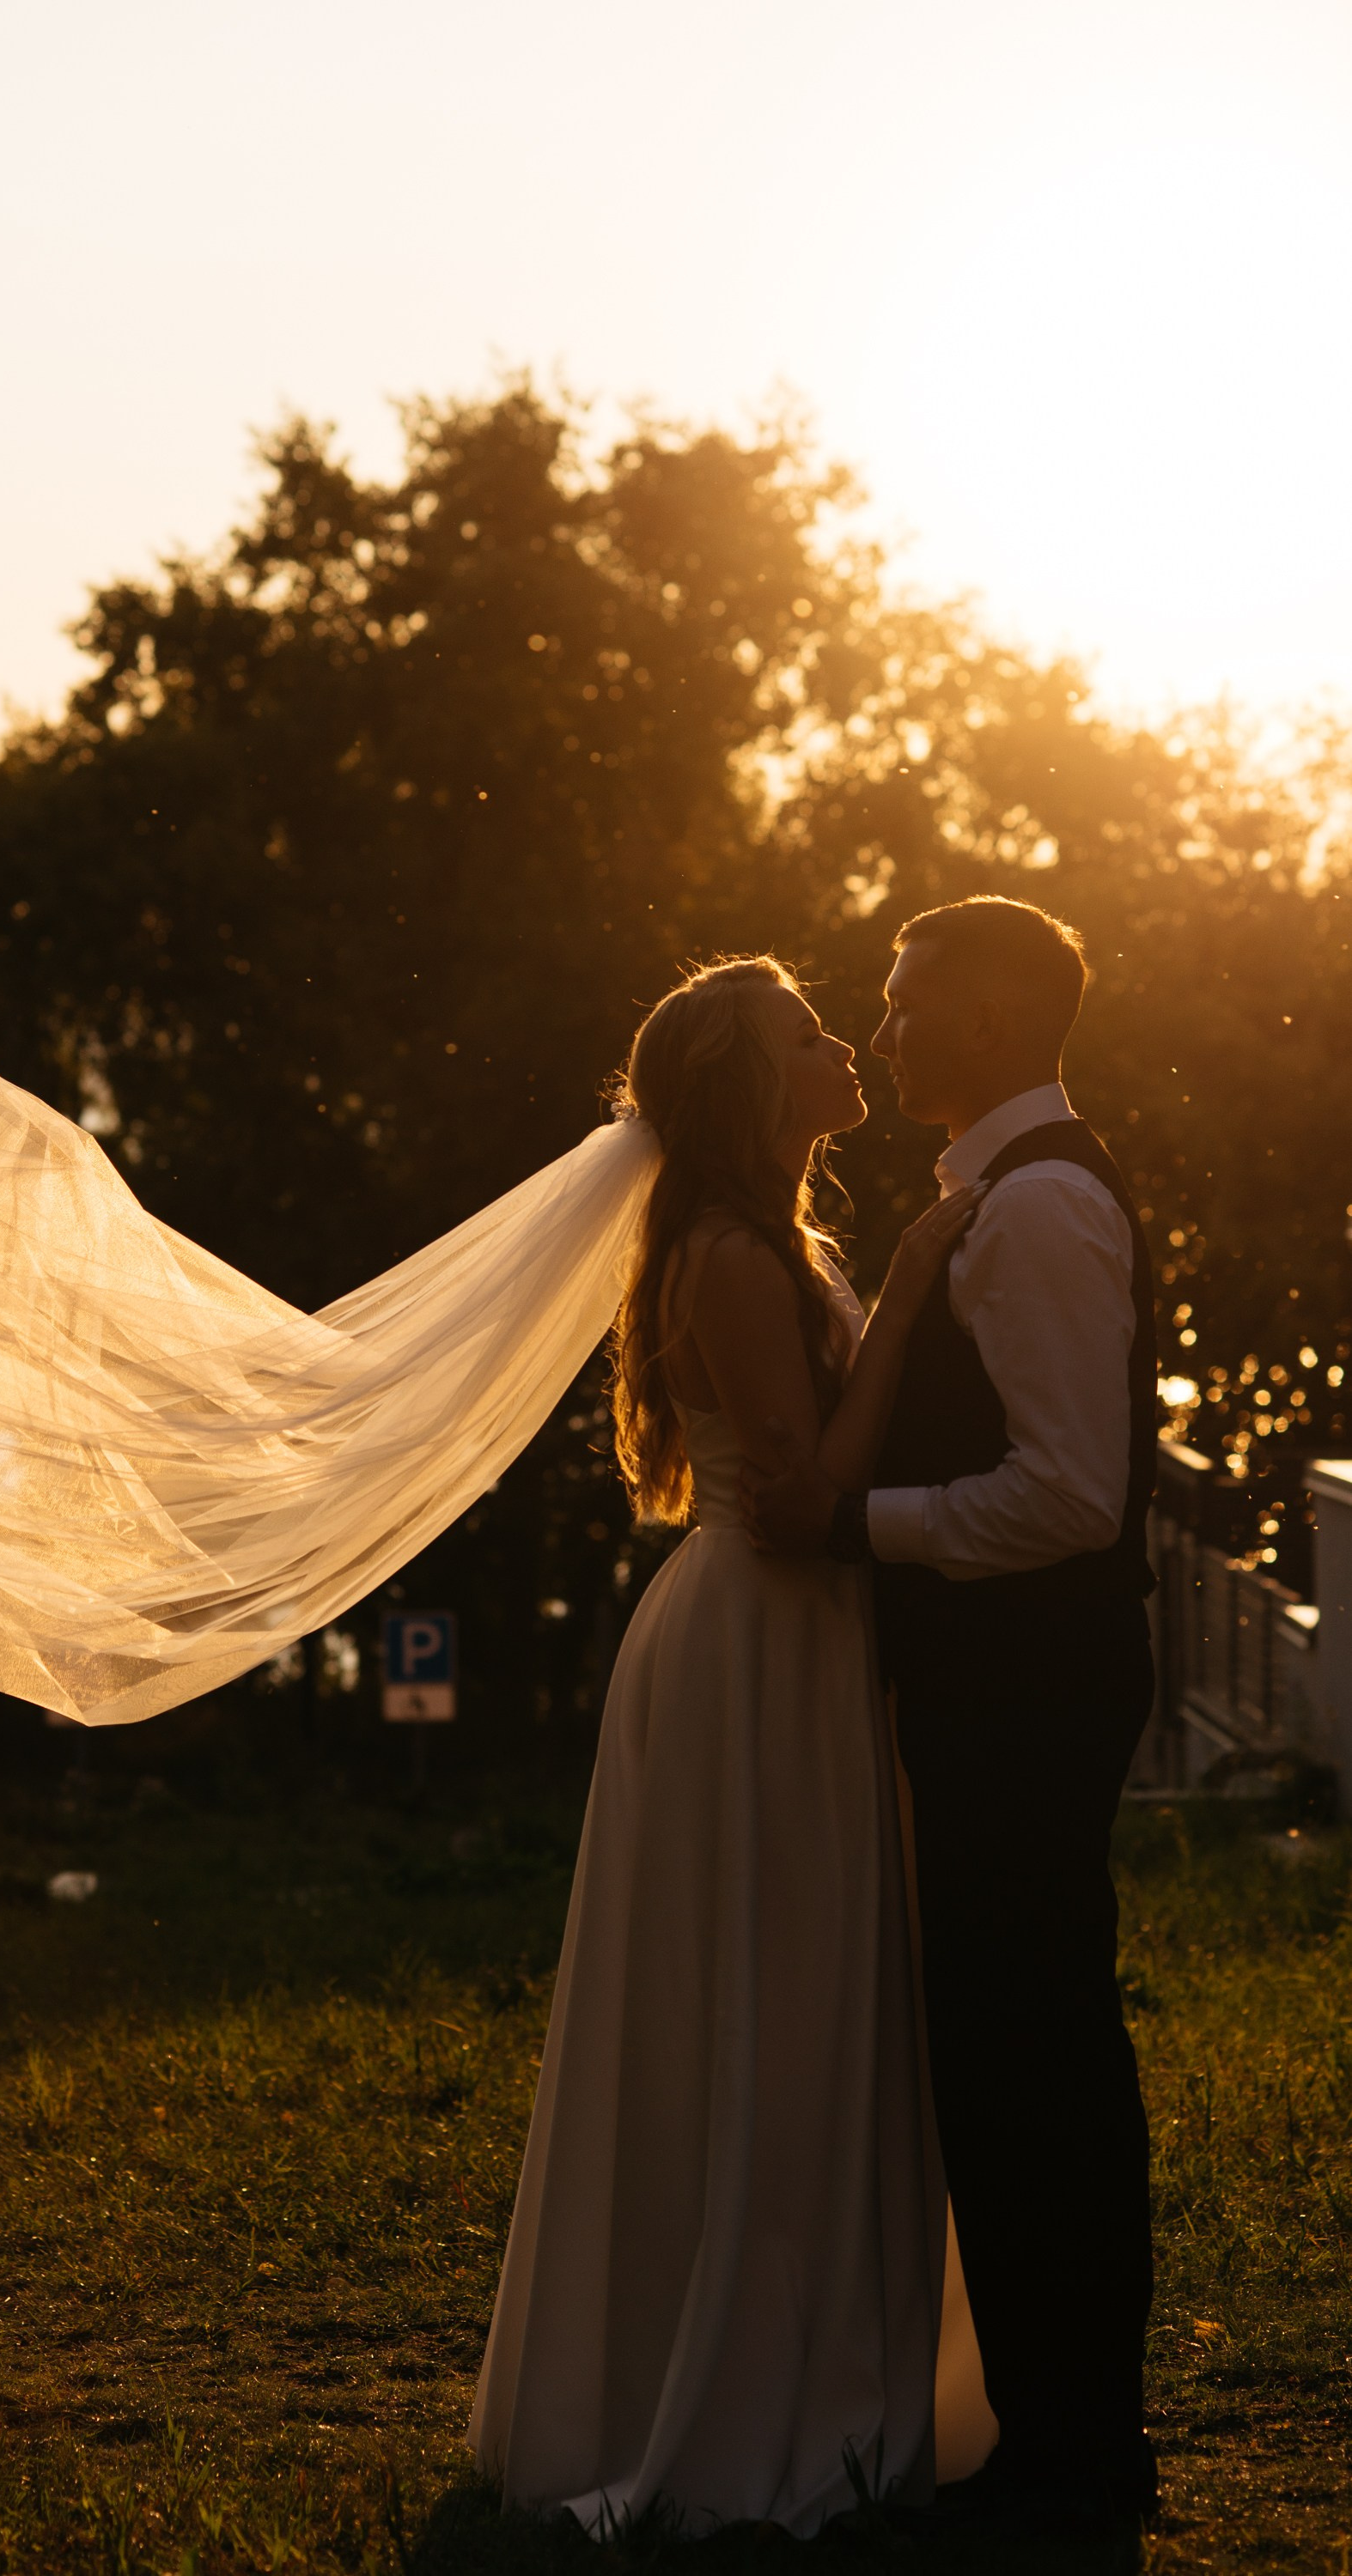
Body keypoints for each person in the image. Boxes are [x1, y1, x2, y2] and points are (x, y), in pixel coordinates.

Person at [470, 955, 996, 2537]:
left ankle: (818, 2358)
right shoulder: (731, 1259)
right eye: (806, 1037)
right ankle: (732, 2400)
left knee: (806, 1989)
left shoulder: (773, 1242)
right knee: (768, 1994)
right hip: (757, 1650)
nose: (841, 1048)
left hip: (792, 1648)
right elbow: (800, 1496)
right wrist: (907, 1292)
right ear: (744, 1091)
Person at [745, 896, 1159, 2539]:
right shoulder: (984, 1195)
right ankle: (1054, 2441)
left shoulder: (1042, 1208)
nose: (888, 1025)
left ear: (986, 1020)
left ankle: (1078, 2457)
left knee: (1034, 2050)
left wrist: (859, 1530)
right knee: (1000, 2047)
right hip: (995, 1685)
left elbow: (1065, 1499)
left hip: (1032, 1687)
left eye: (908, 1002)